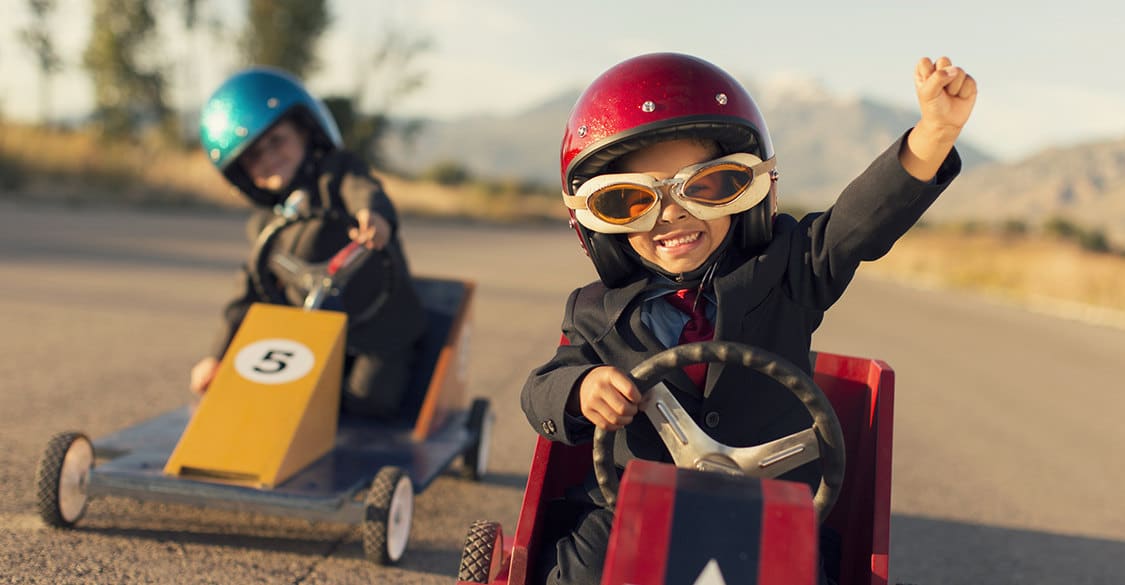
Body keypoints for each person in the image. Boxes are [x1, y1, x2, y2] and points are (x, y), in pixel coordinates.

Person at [520, 52, 976, 585]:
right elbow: (540, 390)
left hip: (770, 513)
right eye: (631, 200)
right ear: (598, 222)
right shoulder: (595, 311)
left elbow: (858, 224)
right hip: (632, 512)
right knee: (579, 568)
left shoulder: (786, 270)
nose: (672, 214)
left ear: (749, 189)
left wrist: (933, 134)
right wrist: (582, 388)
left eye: (705, 187)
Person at [189, 67, 426, 418]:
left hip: (376, 328)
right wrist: (217, 355)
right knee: (266, 392)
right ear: (242, 174)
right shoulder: (266, 228)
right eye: (253, 156)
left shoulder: (339, 175)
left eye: (276, 141)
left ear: (305, 130)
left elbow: (364, 189)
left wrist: (372, 215)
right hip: (306, 338)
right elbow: (248, 291)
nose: (269, 157)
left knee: (368, 398)